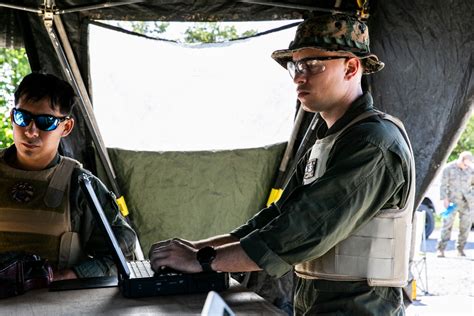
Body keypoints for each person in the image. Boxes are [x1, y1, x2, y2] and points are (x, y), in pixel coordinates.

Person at [149, 14, 415, 315]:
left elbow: (303, 226)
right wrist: (199, 248)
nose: (299, 77)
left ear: (351, 67)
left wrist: (203, 260)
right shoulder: (328, 140)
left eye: (312, 65)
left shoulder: (372, 143)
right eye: (295, 66)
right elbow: (276, 216)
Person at [0, 72, 137, 281]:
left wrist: (73, 274)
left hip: (54, 304)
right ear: (12, 117)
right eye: (23, 118)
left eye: (45, 121)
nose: (31, 131)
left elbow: (123, 244)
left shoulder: (79, 184)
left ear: (66, 127)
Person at [437, 151, 473, 257]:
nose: (467, 165)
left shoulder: (471, 170)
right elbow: (443, 185)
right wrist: (445, 199)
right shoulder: (448, 168)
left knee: (465, 227)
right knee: (446, 225)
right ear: (462, 159)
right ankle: (441, 249)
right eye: (466, 162)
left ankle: (460, 249)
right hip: (452, 201)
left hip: (466, 202)